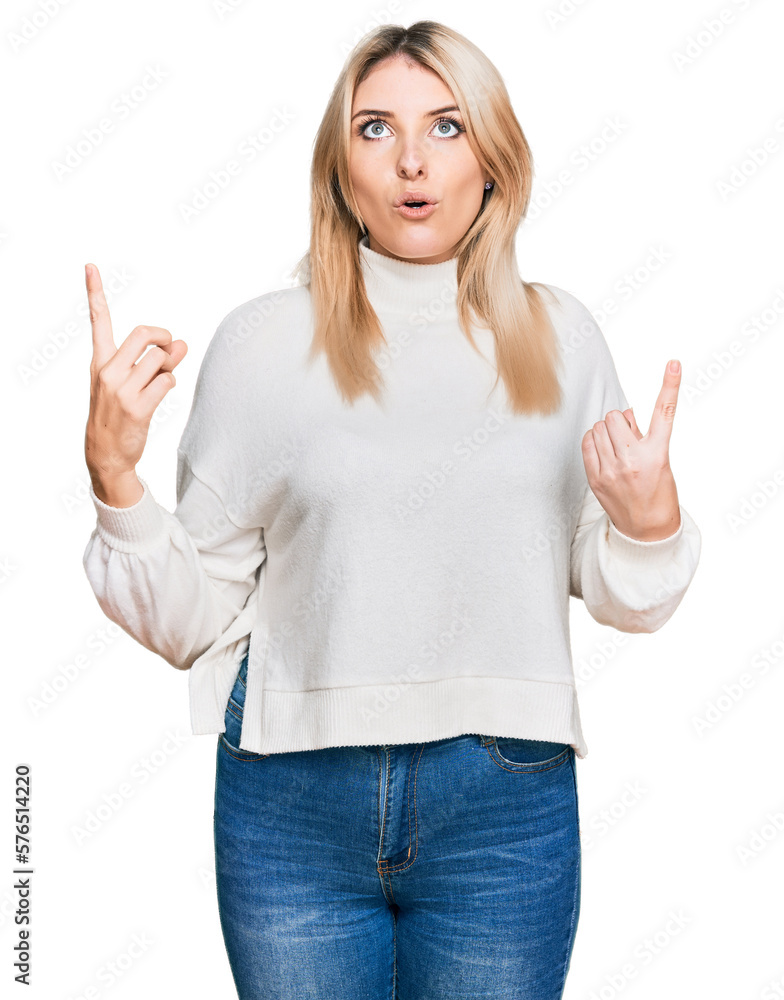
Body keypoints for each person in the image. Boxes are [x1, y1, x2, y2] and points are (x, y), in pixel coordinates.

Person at [82, 19, 701, 1000]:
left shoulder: (559, 337)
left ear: (493, 158)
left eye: (447, 126)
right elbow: (193, 620)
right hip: (290, 799)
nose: (412, 159)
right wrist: (117, 480)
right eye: (376, 128)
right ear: (339, 165)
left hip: (504, 803)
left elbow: (627, 596)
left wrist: (647, 518)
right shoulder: (261, 346)